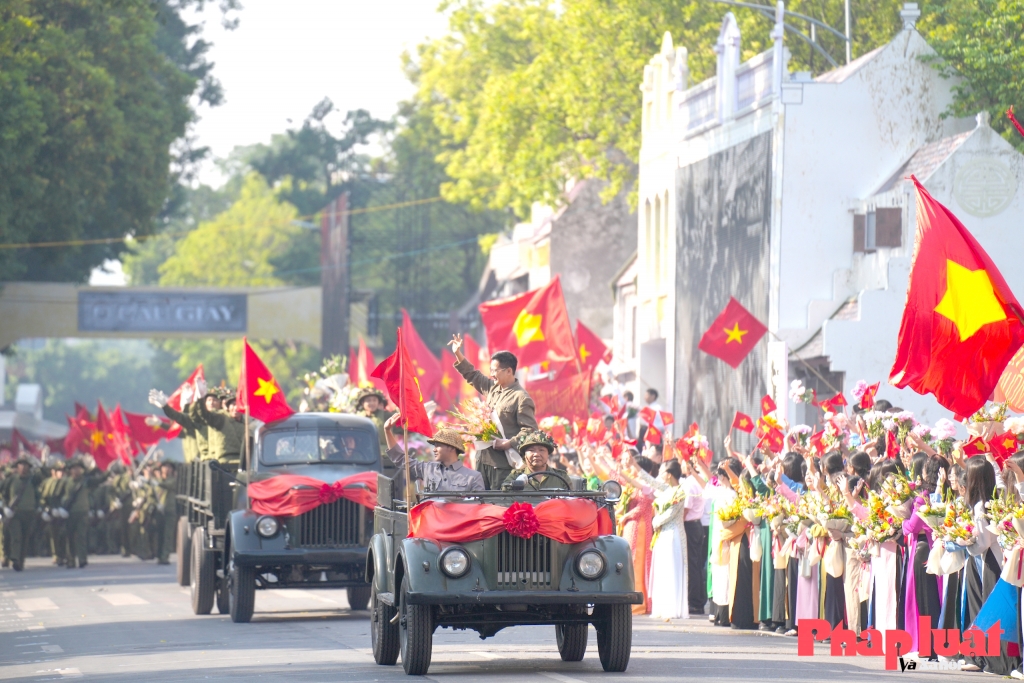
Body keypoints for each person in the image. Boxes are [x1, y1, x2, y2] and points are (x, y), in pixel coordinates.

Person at [450, 334, 537, 490]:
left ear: (509, 371)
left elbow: (530, 431)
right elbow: (473, 375)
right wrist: (458, 354)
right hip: (483, 460)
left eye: (495, 370)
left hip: (503, 465)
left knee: (498, 504)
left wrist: (509, 442)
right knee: (480, 503)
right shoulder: (492, 388)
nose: (491, 374)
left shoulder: (521, 398)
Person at [382, 413, 484, 493]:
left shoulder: (473, 477)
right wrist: (387, 431)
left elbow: (478, 511)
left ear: (452, 448)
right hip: (430, 519)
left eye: (438, 445)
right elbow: (400, 459)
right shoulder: (427, 469)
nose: (434, 449)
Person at [62, 457, 105, 569]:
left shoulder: (86, 481)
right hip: (69, 513)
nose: (76, 470)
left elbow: (99, 480)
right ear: (70, 470)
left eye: (78, 468)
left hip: (82, 513)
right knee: (69, 537)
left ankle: (82, 559)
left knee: (81, 536)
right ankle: (70, 559)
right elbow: (57, 495)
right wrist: (58, 509)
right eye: (74, 468)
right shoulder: (65, 482)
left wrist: (107, 470)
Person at [1, 456, 42, 571]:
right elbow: (4, 494)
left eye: (26, 465)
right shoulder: (11, 480)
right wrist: (5, 507)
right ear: (17, 467)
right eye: (21, 465)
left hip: (29, 513)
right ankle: (15, 558)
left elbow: (39, 493)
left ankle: (21, 560)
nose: (23, 467)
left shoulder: (33, 480)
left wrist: (38, 507)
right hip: (14, 513)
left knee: (25, 537)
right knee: (16, 536)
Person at [500, 430, 566, 491]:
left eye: (541, 450)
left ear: (548, 454)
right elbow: (503, 494)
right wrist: (515, 484)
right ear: (524, 455)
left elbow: (571, 500)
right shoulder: (515, 476)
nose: (537, 454)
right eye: (531, 450)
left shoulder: (561, 477)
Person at [40, 460, 68, 566]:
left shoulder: (67, 481)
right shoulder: (47, 482)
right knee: (53, 534)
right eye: (59, 470)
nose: (61, 473)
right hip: (51, 511)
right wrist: (44, 509)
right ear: (53, 471)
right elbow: (42, 496)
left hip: (63, 511)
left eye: (62, 471)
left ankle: (65, 554)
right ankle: (56, 555)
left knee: (64, 534)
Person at [154, 461, 178, 565]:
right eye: (164, 467)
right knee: (159, 534)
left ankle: (165, 556)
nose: (167, 469)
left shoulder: (173, 480)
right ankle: (159, 555)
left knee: (168, 535)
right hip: (159, 511)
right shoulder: (157, 481)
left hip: (169, 511)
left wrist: (156, 482)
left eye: (169, 467)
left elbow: (166, 485)